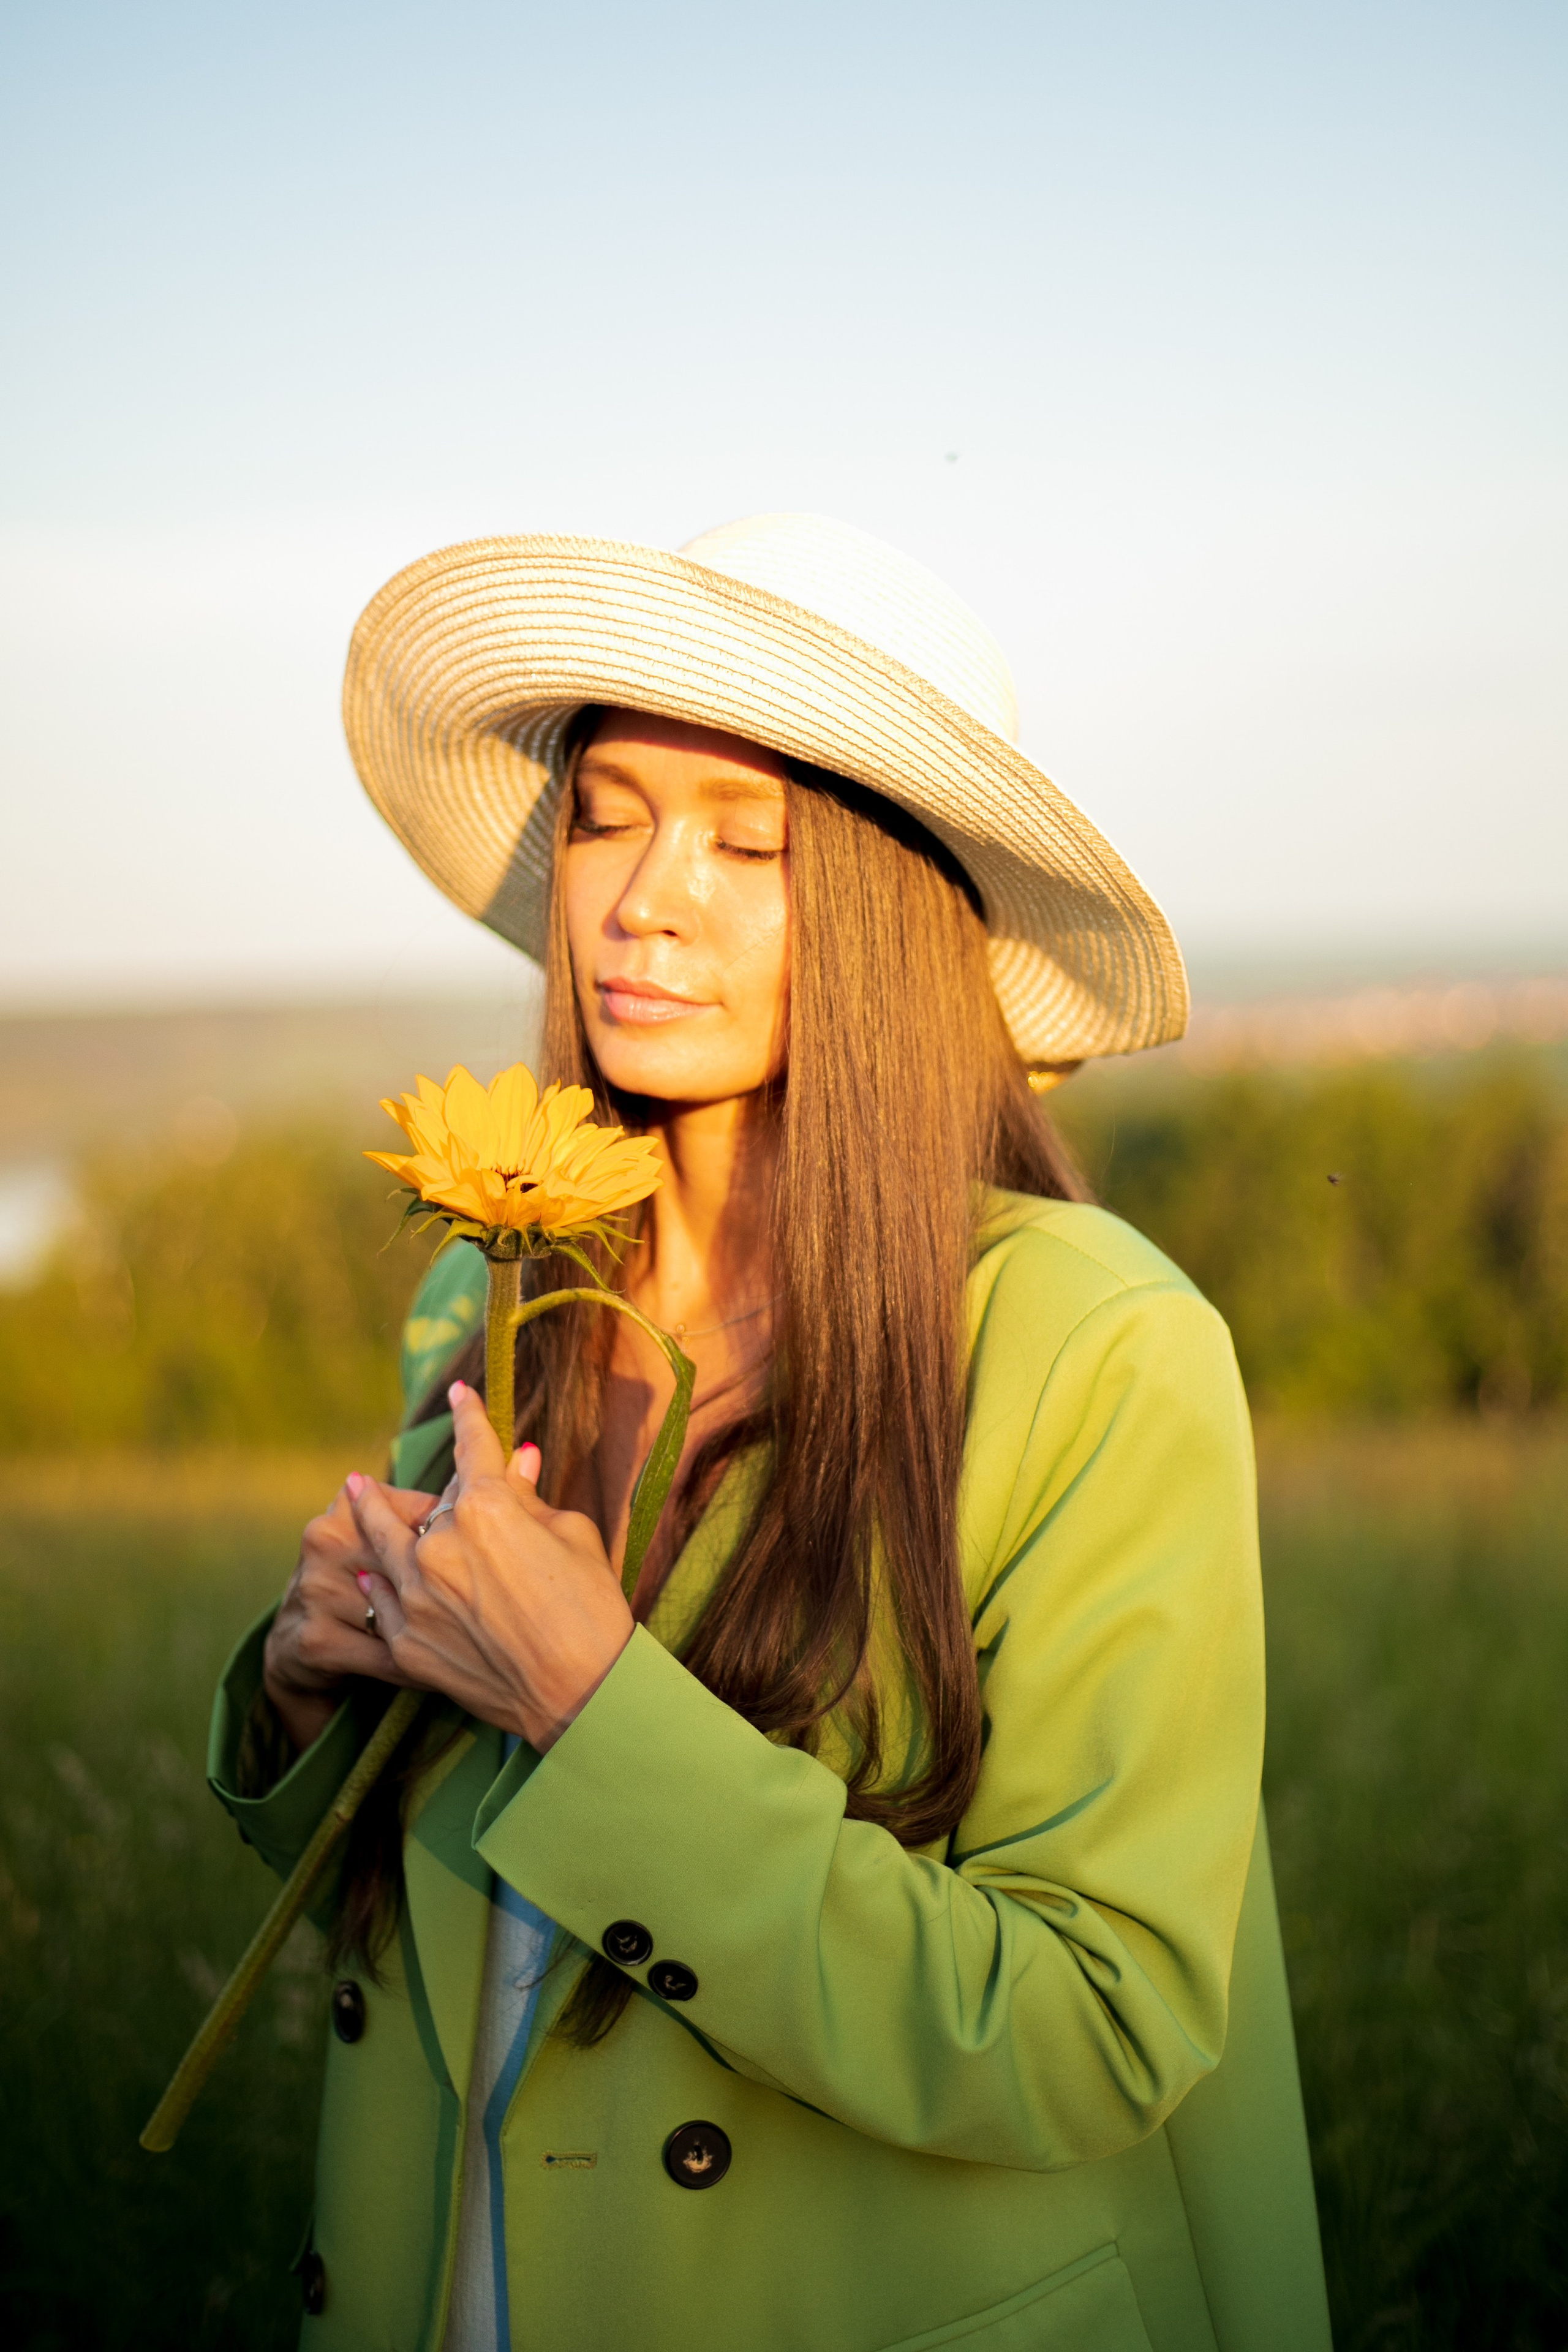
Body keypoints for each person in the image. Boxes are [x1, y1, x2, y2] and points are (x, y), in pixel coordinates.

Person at [209, 513, 1331, 2351]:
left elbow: (1094, 2021)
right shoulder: (493, 1294)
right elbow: (450, 1907)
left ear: (897, 916)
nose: (647, 897)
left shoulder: (1095, 1347)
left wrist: (595, 1709)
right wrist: (314, 1695)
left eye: (753, 842)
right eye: (606, 815)